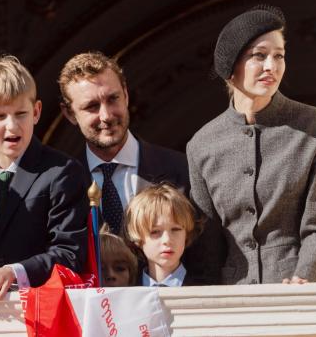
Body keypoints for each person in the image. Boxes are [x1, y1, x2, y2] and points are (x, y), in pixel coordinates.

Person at [187, 5, 316, 285]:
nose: (272, 66)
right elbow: (208, 246)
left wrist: (304, 277)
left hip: (302, 290)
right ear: (231, 67)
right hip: (235, 300)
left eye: (279, 56)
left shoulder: (315, 128)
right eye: (259, 56)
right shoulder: (201, 145)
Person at [58, 51, 223, 284]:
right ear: (69, 113)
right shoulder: (61, 183)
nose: (106, 115)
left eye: (113, 99)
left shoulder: (182, 170)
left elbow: (209, 262)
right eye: (92, 107)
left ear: (125, 95)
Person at [0, 55, 89, 305]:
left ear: (36, 112)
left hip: (44, 311)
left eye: (21, 114)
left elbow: (71, 254)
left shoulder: (62, 172)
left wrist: (14, 272)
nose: (12, 126)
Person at [125, 183, 198, 287]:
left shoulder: (206, 287)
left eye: (175, 229)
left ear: (186, 234)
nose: (167, 240)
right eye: (155, 232)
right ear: (138, 238)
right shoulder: (127, 290)